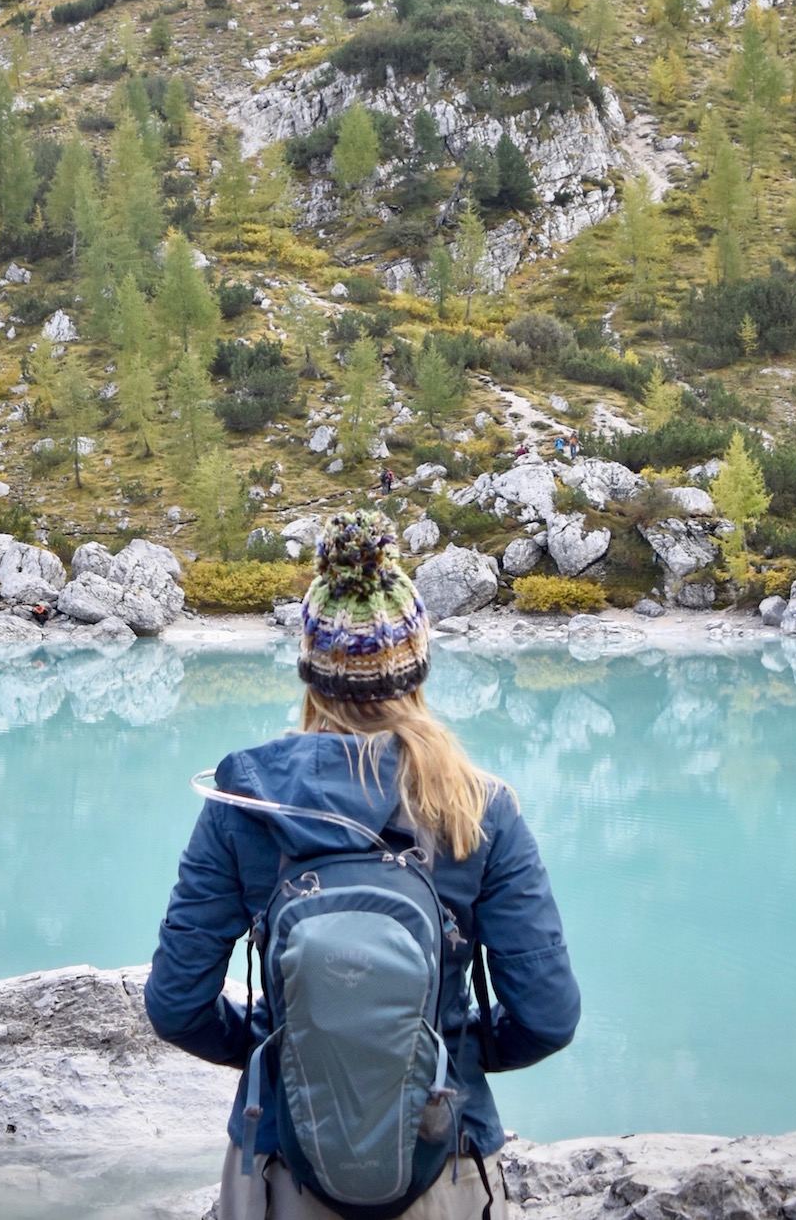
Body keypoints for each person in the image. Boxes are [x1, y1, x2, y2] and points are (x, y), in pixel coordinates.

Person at [146, 510, 579, 1220]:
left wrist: (291, 1048)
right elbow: (549, 1017)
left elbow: (174, 1006)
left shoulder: (241, 802)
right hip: (442, 1154)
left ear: (313, 672)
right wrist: (433, 1053)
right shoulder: (480, 808)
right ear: (417, 668)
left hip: (280, 1160)